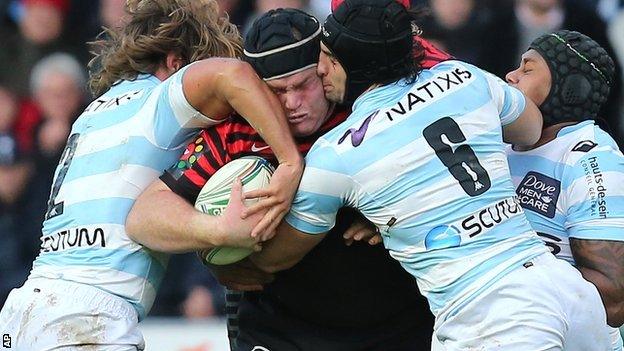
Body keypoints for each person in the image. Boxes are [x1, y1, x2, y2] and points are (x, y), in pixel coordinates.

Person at [245, 0, 612, 349]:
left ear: (351, 60)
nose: (322, 69)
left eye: (328, 58)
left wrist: (218, 237)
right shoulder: (462, 75)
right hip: (566, 291)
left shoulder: (337, 153)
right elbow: (530, 129)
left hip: (490, 316)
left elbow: (274, 259)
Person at [126, 7, 449, 350]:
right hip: (278, 331)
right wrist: (219, 235)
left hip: (394, 325)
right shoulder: (235, 133)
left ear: (326, 68)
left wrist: (395, 209)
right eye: (277, 92)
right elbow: (144, 217)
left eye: (304, 84)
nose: (293, 102)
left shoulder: (369, 110)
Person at [0, 0, 303, 349]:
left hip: (28, 309)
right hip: (86, 317)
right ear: (176, 62)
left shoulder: (91, 115)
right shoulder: (159, 100)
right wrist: (289, 162)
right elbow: (230, 74)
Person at [505, 30, 624, 350]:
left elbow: (613, 300)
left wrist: (503, 279)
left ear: (570, 89)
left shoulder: (591, 158)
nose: (511, 76)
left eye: (527, 69)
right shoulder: (498, 147)